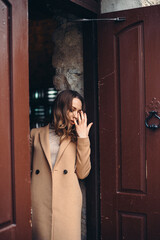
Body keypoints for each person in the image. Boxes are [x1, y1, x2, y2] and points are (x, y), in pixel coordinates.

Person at [30, 90, 93, 240]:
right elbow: (26, 171)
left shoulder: (77, 137)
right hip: (40, 200)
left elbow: (83, 173)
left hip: (67, 201)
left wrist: (83, 138)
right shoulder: (35, 134)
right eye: (72, 110)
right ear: (60, 108)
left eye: (79, 111)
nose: (75, 115)